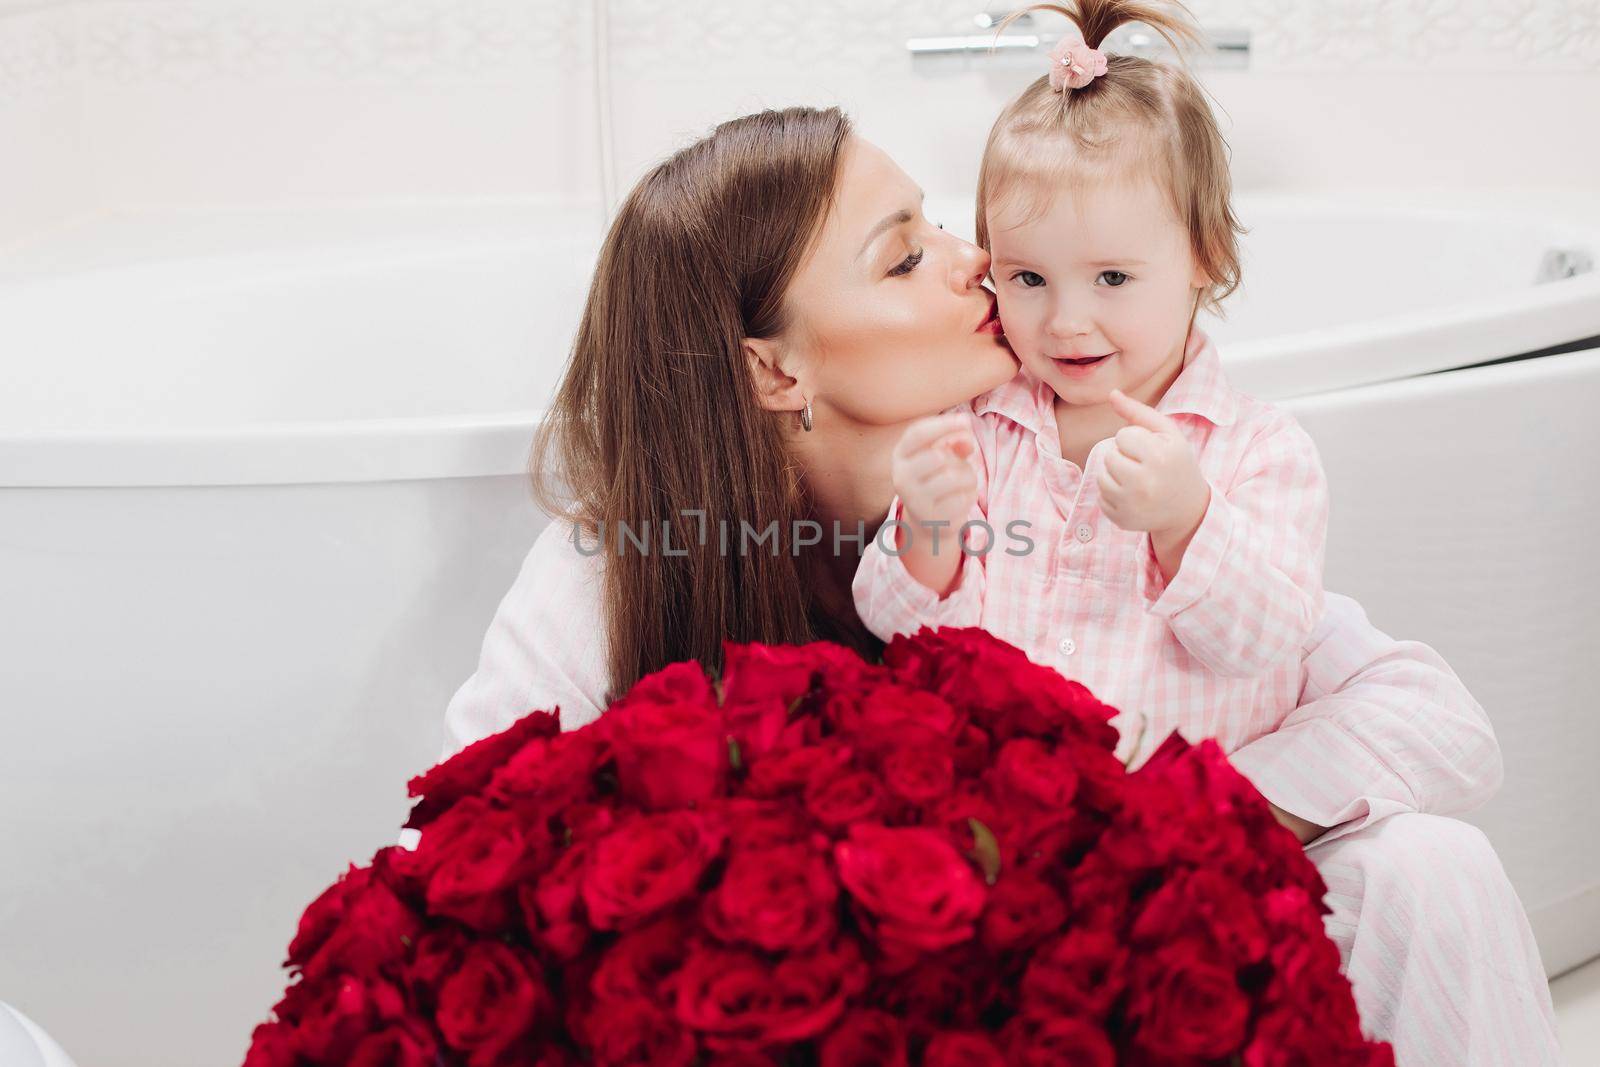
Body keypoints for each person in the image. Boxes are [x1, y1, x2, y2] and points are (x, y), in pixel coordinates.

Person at [435, 102, 1560, 1064]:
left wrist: (1157, 832)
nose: (972, 254)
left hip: (1090, 974)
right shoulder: (627, 573)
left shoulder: (1073, 473)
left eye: (936, 218)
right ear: (776, 368)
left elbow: (1431, 719)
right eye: (903, 253)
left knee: (1427, 866)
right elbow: (446, 870)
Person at [852, 0, 1328, 772]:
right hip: (1009, 810)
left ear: (1203, 257)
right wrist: (929, 529)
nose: (1068, 321)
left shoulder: (1259, 451)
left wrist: (1186, 521)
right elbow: (904, 635)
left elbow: (1269, 642)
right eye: (1029, 277)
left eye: (1112, 276)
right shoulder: (978, 428)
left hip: (1172, 828)